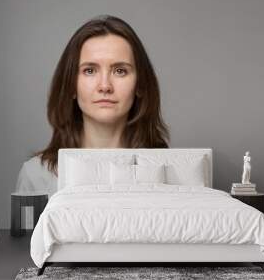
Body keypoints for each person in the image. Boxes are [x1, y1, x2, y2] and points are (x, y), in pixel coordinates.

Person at [15, 15, 170, 197]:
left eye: (120, 71)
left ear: (140, 85)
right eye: (89, 71)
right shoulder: (36, 176)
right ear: (71, 85)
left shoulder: (168, 171)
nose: (105, 86)